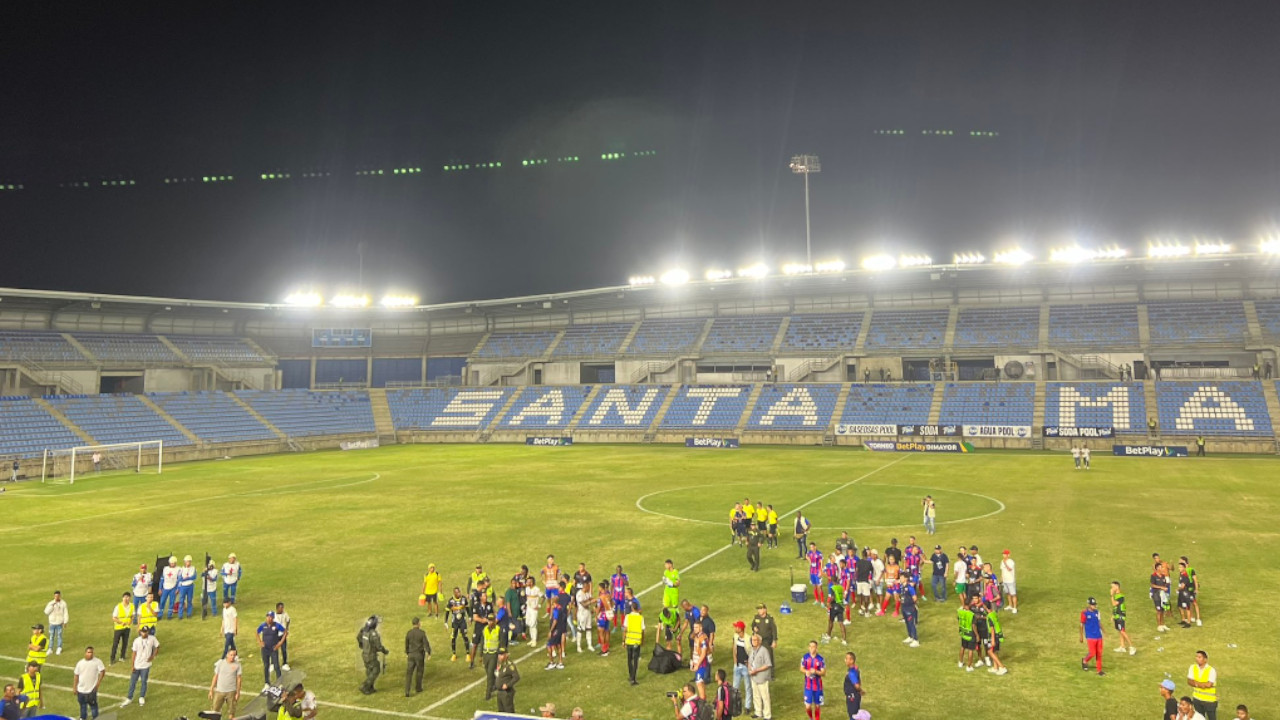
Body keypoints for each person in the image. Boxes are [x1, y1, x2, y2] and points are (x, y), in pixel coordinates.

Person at [121, 625, 158, 707]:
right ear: (140, 632)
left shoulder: (152, 639)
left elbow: (157, 646)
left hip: (146, 665)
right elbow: (134, 653)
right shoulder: (137, 641)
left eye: (146, 631)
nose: (145, 633)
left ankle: (141, 697)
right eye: (143, 632)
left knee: (144, 681)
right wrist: (132, 665)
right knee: (132, 682)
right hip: (137, 664)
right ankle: (129, 698)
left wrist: (153, 656)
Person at [357, 616, 389, 695]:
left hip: (364, 654)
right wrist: (384, 651)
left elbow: (358, 638)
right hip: (371, 655)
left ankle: (370, 688)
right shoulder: (373, 634)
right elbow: (379, 646)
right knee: (376, 670)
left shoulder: (363, 631)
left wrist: (362, 645)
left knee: (369, 670)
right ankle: (365, 685)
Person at [208, 648, 242, 719]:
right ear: (227, 655)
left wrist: (238, 692)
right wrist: (211, 689)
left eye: (234, 655)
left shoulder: (237, 665)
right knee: (214, 711)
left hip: (231, 692)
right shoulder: (220, 663)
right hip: (220, 691)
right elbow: (215, 676)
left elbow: (239, 679)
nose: (232, 656)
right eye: (231, 655)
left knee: (231, 712)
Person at [73, 646, 106, 720]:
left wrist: (98, 684)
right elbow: (76, 675)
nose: (90, 654)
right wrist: (75, 687)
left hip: (91, 690)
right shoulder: (80, 663)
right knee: (83, 707)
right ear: (85, 653)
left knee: (93, 707)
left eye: (91, 652)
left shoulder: (97, 661)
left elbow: (102, 671)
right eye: (88, 652)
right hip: (81, 690)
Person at [257, 610, 286, 690]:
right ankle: (267, 683)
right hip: (265, 649)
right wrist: (260, 642)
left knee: (276, 666)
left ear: (273, 618)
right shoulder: (263, 626)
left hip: (273, 649)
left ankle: (280, 683)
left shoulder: (277, 625)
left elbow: (285, 632)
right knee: (266, 666)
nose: (269, 618)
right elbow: (257, 632)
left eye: (270, 617)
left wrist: (280, 643)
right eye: (268, 617)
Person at [403, 616, 431, 697]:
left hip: (411, 655)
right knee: (419, 671)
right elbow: (426, 643)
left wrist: (407, 652)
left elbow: (406, 644)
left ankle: (407, 691)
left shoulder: (409, 633)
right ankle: (418, 688)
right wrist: (429, 652)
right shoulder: (422, 633)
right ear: (418, 624)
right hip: (419, 655)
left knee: (409, 673)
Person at [747, 634, 772, 720]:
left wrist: (757, 670)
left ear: (759, 641)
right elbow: (750, 661)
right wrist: (749, 668)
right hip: (754, 677)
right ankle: (758, 712)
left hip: (762, 678)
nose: (753, 642)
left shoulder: (764, 651)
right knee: (756, 696)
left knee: (765, 697)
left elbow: (768, 664)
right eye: (752, 640)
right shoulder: (752, 650)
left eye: (755, 640)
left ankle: (767, 716)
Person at [1187, 650, 1218, 720]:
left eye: (1199, 657)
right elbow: (1189, 681)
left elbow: (1208, 685)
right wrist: (1202, 685)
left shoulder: (1211, 670)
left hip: (1209, 700)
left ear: (1205, 660)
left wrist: (1196, 683)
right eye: (1196, 656)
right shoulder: (1192, 667)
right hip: (1197, 699)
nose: (1197, 658)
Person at [1080, 597, 1105, 676]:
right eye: (1093, 605)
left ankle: (1099, 670)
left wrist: (1104, 631)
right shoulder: (1084, 613)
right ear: (1089, 605)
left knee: (1099, 653)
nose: (1094, 606)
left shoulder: (1097, 612)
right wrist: (1081, 636)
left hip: (1098, 635)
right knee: (1092, 653)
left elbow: (1099, 622)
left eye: (1095, 604)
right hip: (1090, 636)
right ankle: (1084, 660)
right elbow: (1081, 625)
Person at [481, 614, 504, 700]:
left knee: (490, 673)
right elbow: (482, 641)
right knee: (488, 672)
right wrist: (480, 655)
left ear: (494, 621)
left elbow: (502, 642)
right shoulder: (485, 629)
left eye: (492, 620)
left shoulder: (498, 629)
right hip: (486, 654)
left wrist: (500, 654)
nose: (490, 622)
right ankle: (495, 685)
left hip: (494, 654)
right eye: (489, 620)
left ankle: (488, 694)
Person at [801, 640, 825, 720]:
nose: (811, 648)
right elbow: (801, 668)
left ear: (816, 648)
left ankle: (817, 719)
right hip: (808, 686)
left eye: (813, 646)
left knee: (817, 705)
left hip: (818, 686)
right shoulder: (805, 657)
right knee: (808, 706)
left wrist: (816, 671)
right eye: (810, 646)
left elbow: (823, 673)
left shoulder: (820, 659)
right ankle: (811, 718)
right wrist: (806, 671)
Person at [730, 621, 752, 713]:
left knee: (748, 687)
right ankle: (735, 706)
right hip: (738, 666)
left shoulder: (748, 639)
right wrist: (735, 662)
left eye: (736, 627)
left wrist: (749, 663)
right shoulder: (735, 637)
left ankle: (747, 706)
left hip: (746, 667)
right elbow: (734, 649)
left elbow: (751, 652)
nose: (735, 628)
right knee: (735, 688)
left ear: (740, 629)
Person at [1110, 581, 1136, 655]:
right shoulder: (1117, 595)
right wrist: (1113, 615)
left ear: (1117, 587)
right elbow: (1115, 607)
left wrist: (1111, 595)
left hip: (1120, 615)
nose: (1111, 588)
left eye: (1113, 587)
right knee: (1120, 631)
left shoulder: (1120, 596)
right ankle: (1122, 646)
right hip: (1117, 615)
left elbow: (1114, 603)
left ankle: (1132, 646)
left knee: (1122, 631)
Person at [446, 587, 472, 660]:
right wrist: (446, 622)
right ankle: (454, 654)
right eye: (457, 592)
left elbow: (467, 609)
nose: (459, 593)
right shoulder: (451, 601)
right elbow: (447, 611)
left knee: (465, 636)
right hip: (455, 622)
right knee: (454, 637)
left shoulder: (463, 599)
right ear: (454, 593)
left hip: (462, 621)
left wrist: (469, 618)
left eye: (459, 592)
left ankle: (468, 654)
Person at [622, 601, 644, 685]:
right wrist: (642, 641)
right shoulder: (640, 618)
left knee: (629, 659)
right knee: (635, 660)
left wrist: (623, 641)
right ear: (637, 608)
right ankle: (633, 678)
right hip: (637, 642)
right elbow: (642, 630)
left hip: (629, 641)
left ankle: (631, 675)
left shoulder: (628, 617)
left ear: (631, 608)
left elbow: (625, 630)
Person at [42, 591, 68, 657]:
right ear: (54, 596)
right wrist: (52, 606)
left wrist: (65, 622)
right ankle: (50, 648)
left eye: (58, 596)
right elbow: (46, 612)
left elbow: (65, 613)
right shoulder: (51, 603)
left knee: (59, 636)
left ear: (60, 596)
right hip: (52, 623)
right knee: (51, 636)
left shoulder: (63, 603)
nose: (56, 597)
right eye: (55, 596)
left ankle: (59, 647)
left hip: (59, 622)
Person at [110, 592, 134, 665]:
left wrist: (130, 621)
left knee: (125, 643)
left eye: (128, 597)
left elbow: (132, 615)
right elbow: (114, 618)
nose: (126, 599)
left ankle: (122, 656)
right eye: (125, 597)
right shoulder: (118, 606)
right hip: (119, 628)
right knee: (115, 643)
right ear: (122, 598)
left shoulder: (132, 606)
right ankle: (112, 658)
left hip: (127, 627)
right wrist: (121, 622)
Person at [690, 622, 710, 700]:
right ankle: (704, 700)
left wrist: (697, 665)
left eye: (696, 627)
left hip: (701, 664)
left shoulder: (703, 638)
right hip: (697, 663)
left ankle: (702, 702)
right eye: (694, 627)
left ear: (701, 628)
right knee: (700, 683)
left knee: (698, 683)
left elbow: (703, 653)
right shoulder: (697, 636)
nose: (694, 629)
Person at [1181, 556, 1203, 627]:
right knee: (1189, 603)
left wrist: (1196, 589)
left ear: (1185, 562)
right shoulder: (1182, 570)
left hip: (1191, 589)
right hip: (1186, 590)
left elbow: (1195, 580)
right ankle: (1192, 617)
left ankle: (1198, 619)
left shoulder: (1190, 570)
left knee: (1194, 603)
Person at [1152, 562, 1172, 632]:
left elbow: (1164, 584)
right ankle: (1159, 625)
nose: (1162, 569)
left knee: (1163, 610)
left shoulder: (1163, 576)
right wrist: (1161, 587)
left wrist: (1167, 584)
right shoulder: (1153, 576)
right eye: (1160, 567)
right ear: (1157, 568)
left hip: (1162, 595)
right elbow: (1152, 585)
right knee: (1158, 610)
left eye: (1162, 567)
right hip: (1156, 595)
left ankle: (1163, 624)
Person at [956, 600, 976, 672]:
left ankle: (960, 662)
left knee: (963, 647)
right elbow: (973, 626)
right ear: (969, 605)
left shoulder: (960, 612)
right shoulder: (971, 614)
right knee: (970, 650)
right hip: (970, 634)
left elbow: (959, 620)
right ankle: (969, 666)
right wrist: (977, 635)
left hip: (963, 632)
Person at [842, 652, 863, 718]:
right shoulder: (855, 668)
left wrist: (860, 690)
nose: (845, 660)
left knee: (853, 716)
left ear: (852, 660)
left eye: (846, 659)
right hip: (855, 696)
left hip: (852, 697)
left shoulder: (851, 673)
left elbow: (856, 685)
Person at [160, 556, 181, 621]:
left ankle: (169, 615)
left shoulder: (178, 569)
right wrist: (160, 588)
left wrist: (178, 588)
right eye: (171, 563)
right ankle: (160, 614)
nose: (172, 564)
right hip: (165, 587)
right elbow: (162, 579)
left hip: (173, 588)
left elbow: (179, 580)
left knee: (172, 602)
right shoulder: (165, 569)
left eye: (174, 563)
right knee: (162, 601)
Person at [177, 556, 198, 620]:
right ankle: (180, 615)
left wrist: (186, 578)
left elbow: (194, 577)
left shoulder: (193, 568)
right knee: (181, 600)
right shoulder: (181, 569)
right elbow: (180, 578)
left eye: (189, 561)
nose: (188, 563)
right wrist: (185, 580)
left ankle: (189, 614)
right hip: (183, 586)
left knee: (189, 600)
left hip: (190, 586)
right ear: (184, 562)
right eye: (187, 561)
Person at [901, 581, 920, 648]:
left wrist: (912, 605)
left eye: (901, 577)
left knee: (912, 623)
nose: (900, 579)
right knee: (907, 623)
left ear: (905, 578)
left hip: (910, 608)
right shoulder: (902, 587)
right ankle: (910, 636)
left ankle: (916, 640)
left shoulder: (910, 588)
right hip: (904, 607)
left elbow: (915, 598)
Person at [275, 602, 292, 670]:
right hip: (275, 634)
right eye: (281, 608)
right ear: (277, 608)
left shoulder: (285, 614)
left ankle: (285, 663)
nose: (282, 609)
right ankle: (273, 663)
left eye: (283, 608)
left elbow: (288, 620)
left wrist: (287, 628)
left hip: (283, 635)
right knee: (274, 650)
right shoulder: (274, 616)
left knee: (284, 649)